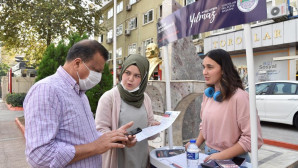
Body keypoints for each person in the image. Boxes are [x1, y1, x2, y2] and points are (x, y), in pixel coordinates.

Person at [23, 40, 133, 168]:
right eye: (96, 71)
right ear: (77, 63)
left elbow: (83, 137)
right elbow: (40, 155)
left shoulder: (80, 94)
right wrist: (95, 147)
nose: (98, 77)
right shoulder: (46, 90)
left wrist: (113, 137)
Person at [186, 49, 263, 163]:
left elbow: (252, 139)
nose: (204, 72)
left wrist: (220, 156)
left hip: (233, 160)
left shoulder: (240, 97)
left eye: (210, 67)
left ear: (223, 70)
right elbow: (205, 125)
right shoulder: (208, 95)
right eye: (204, 67)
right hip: (210, 156)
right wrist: (196, 143)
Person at [95, 54, 160, 168]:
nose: (130, 79)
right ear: (122, 72)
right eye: (127, 73)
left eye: (137, 75)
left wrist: (155, 127)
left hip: (141, 159)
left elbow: (149, 129)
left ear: (144, 78)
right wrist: (120, 138)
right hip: (118, 160)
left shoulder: (145, 98)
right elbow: (99, 131)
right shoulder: (109, 98)